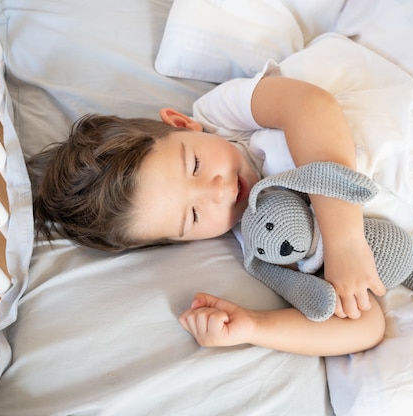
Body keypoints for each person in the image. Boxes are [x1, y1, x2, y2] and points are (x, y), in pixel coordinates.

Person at [27, 61, 386, 356]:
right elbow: (364, 325)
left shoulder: (222, 117)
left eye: (195, 164)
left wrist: (344, 244)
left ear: (182, 124)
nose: (218, 191)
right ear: (186, 241)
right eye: (194, 216)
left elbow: (310, 107)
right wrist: (253, 327)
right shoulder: (259, 243)